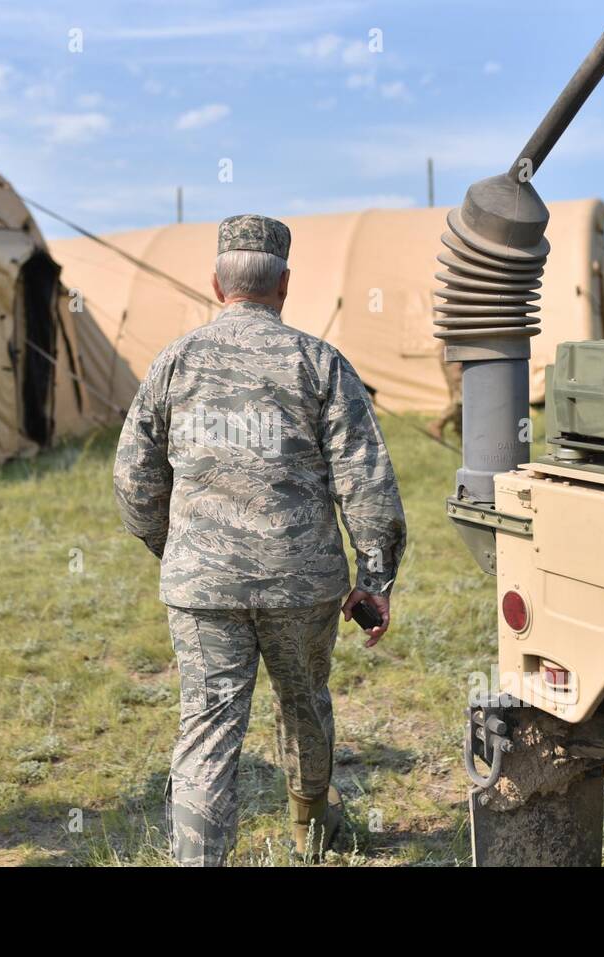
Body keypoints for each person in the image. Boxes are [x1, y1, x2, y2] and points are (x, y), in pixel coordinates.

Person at [114, 214, 408, 866]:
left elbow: (133, 478)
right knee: (304, 705)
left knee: (208, 727)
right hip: (301, 581)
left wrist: (179, 547)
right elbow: (367, 480)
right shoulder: (321, 362)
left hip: (202, 586)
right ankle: (310, 830)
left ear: (217, 283)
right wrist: (376, 579)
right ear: (286, 285)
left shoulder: (174, 362)